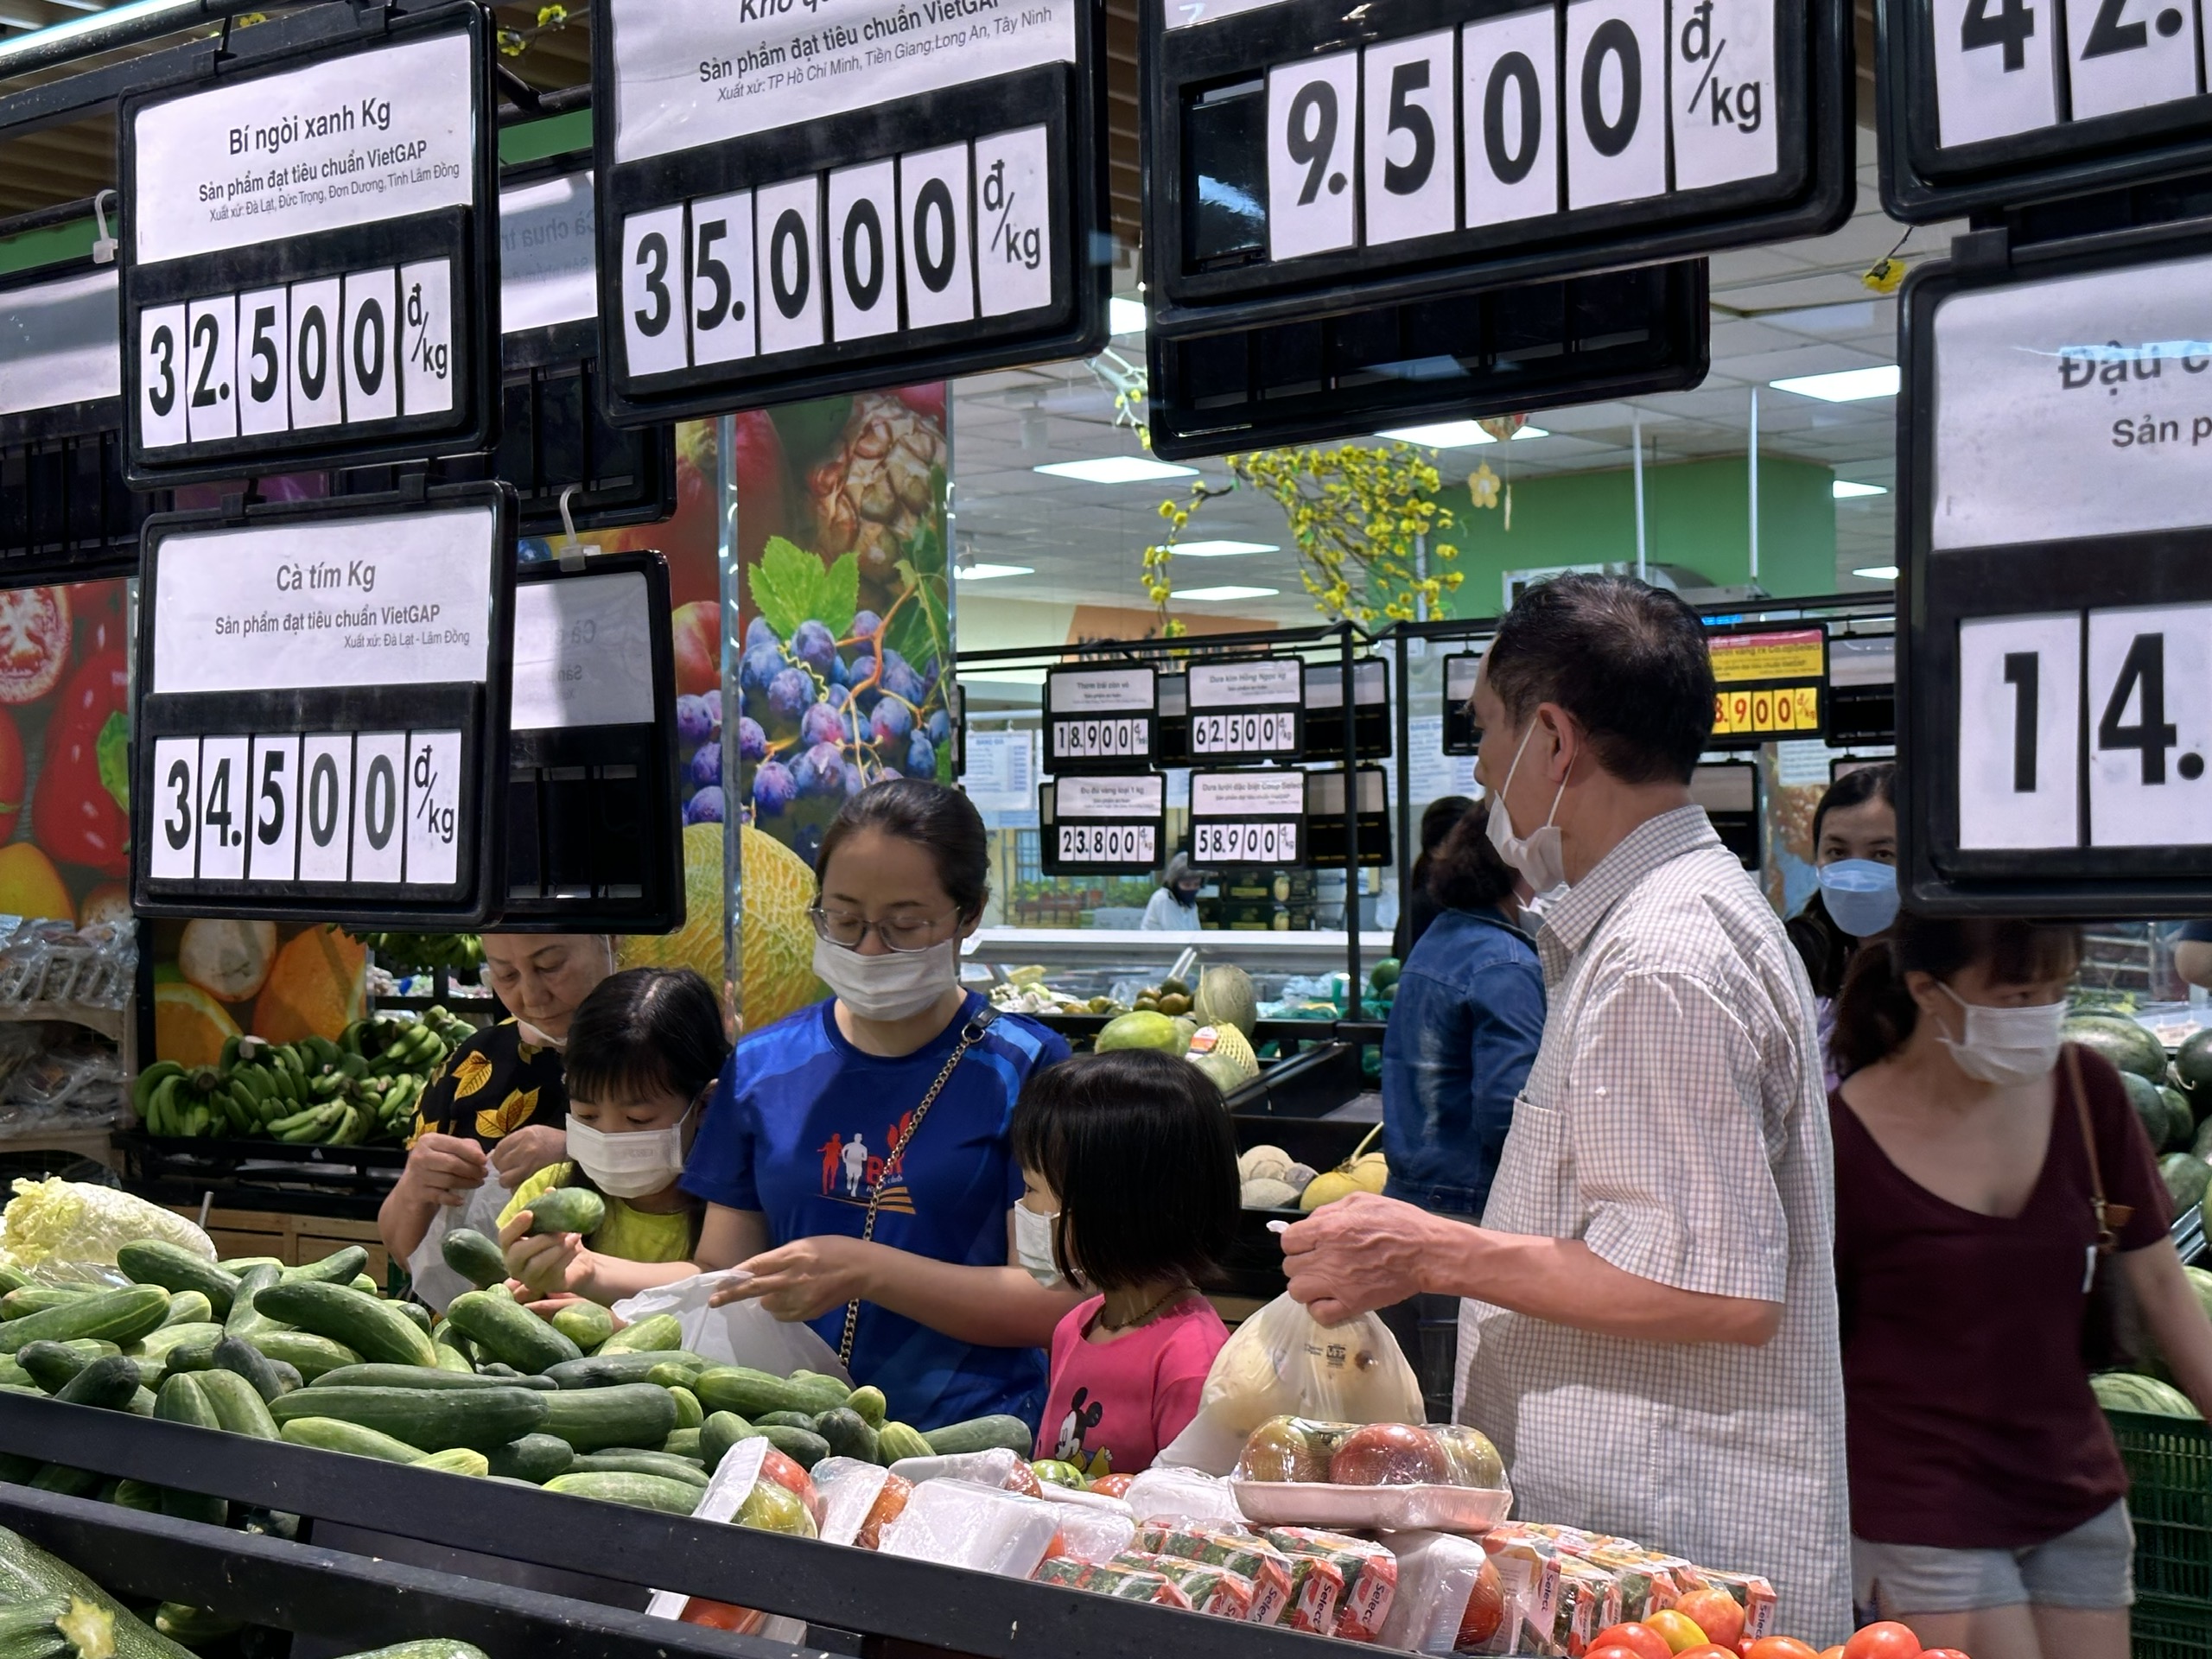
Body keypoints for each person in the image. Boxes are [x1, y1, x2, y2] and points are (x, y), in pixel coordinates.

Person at [1279, 574, 1851, 1641]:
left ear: (1553, 739)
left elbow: (1713, 1287)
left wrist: (1431, 1252)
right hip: (1642, 1551)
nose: (1484, 769)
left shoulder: (1659, 959)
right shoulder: (1666, 924)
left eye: (1487, 732)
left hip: (1668, 1557)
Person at [520, 780, 1079, 1433]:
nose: (869, 949)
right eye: (843, 919)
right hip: (787, 1431)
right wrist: (592, 1271)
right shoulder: (761, 1066)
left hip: (964, 1440)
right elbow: (721, 1274)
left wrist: (867, 1271)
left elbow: (1053, 1301)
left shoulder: (1028, 1068)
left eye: (905, 925)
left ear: (970, 914)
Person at [1831, 912, 2212, 1659]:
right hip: (1919, 1501)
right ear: (1927, 991)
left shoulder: (2087, 1090)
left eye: (2056, 990)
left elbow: (2165, 1287)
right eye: (2014, 997)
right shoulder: (1844, 1136)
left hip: (2072, 1486)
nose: (2039, 1015)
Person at [1376, 810, 1545, 1418]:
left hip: (1400, 1207)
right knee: (1452, 1425)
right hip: (1464, 1218)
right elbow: (1509, 1107)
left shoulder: (1437, 942)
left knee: (1401, 1416)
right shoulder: (1505, 963)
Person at [1010, 1049, 1238, 1474]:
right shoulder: (1075, 1326)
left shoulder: (1190, 1362)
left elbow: (1189, 1519)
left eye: (1032, 1189)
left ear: (1111, 1207)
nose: (1022, 1207)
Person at [378, 933, 616, 1266]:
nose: (532, 997)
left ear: (610, 942)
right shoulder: (471, 1064)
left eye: (550, 966)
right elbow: (401, 1250)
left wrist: (578, 1150)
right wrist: (415, 1188)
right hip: (472, 1310)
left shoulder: (656, 1053)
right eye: (506, 975)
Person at [499, 968, 733, 1298]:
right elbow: (488, 1304)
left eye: (638, 1119)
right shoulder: (544, 1193)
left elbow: (724, 1285)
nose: (608, 1137)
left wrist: (601, 1304)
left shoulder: (734, 1216)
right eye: (587, 1114)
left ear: (704, 1105)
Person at [1787, 763, 1899, 1001]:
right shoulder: (1797, 958)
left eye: (1882, 854)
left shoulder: (1957, 971)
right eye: (1837, 852)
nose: (1855, 878)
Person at [1392, 795, 1478, 960]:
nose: (1475, 853)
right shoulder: (1424, 908)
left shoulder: (1479, 900)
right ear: (1436, 849)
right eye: (1464, 843)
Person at [1141, 853, 1205, 931]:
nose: (1192, 888)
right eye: (1187, 885)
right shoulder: (1163, 899)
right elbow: (1177, 934)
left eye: (1196, 884)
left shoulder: (1190, 904)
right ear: (1174, 883)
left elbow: (1197, 932)